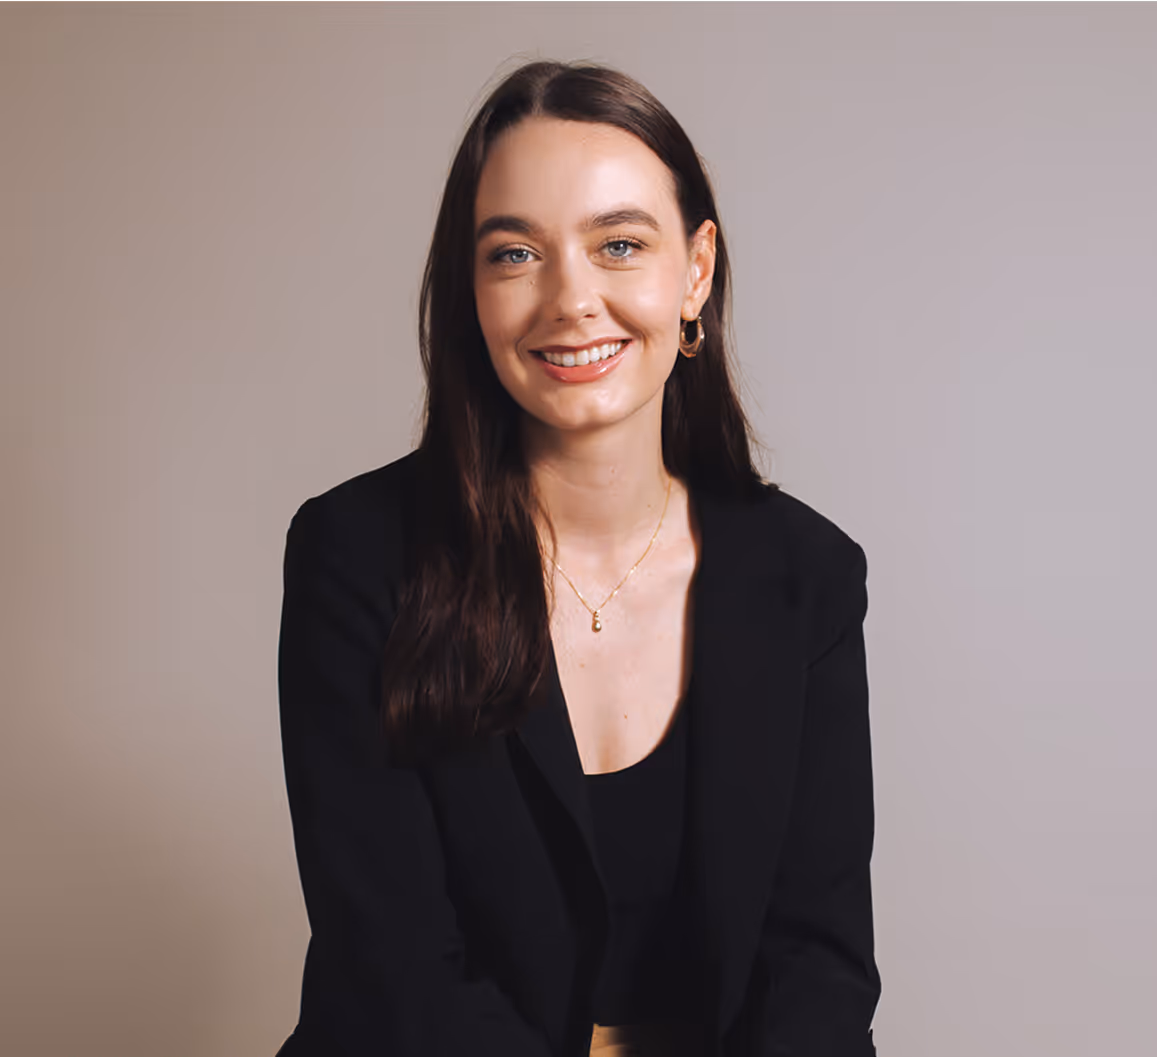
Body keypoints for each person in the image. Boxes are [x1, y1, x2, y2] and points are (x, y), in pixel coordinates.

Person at [274, 60, 880, 1057]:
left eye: (620, 245)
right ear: (470, 292)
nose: (571, 299)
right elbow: (395, 974)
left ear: (695, 273)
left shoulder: (807, 577)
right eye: (515, 254)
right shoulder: (357, 558)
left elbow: (817, 965)